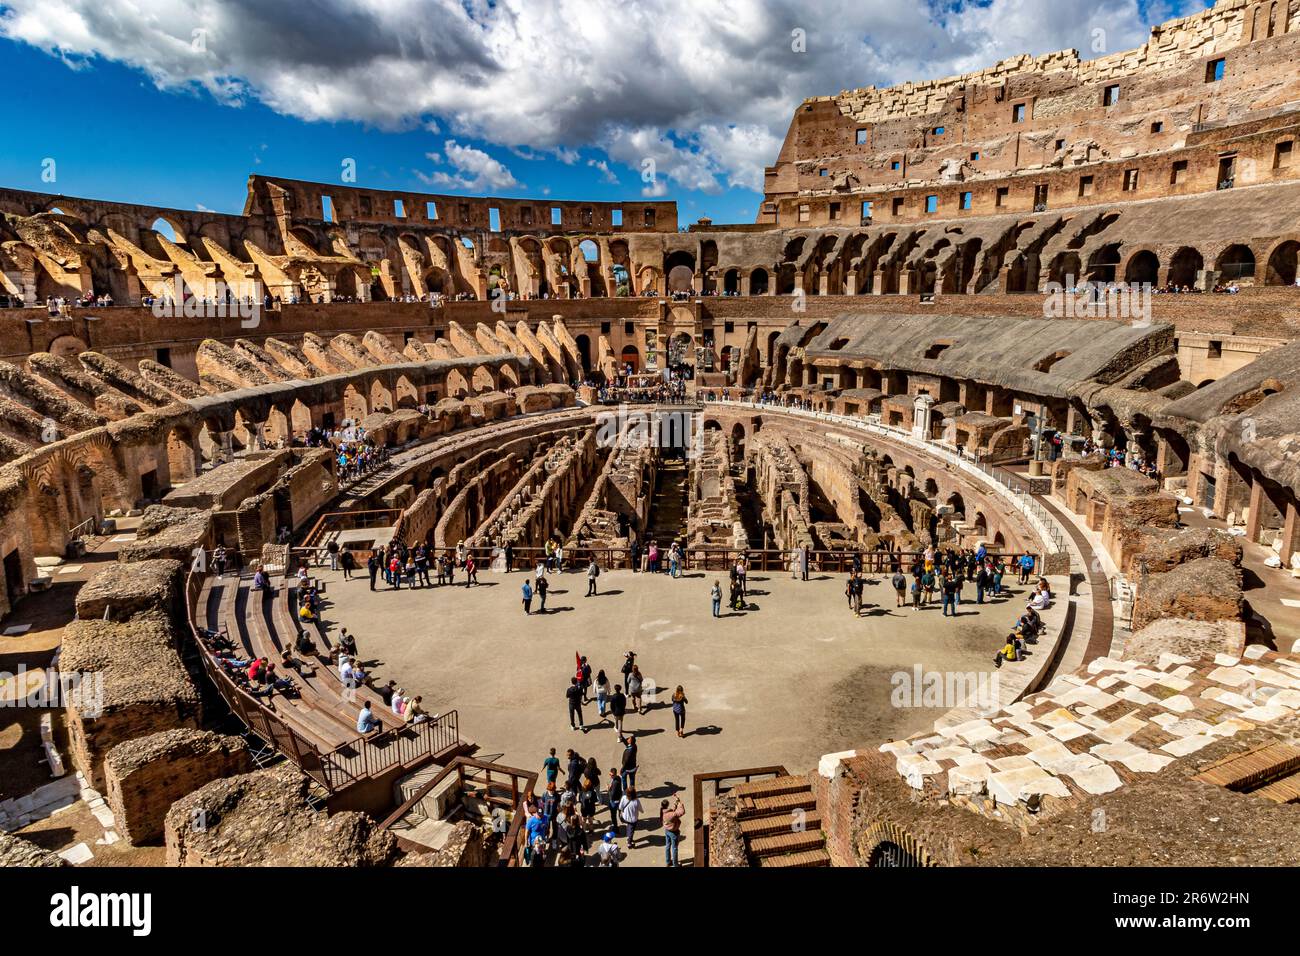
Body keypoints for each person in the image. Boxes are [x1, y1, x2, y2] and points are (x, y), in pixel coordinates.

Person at [660, 794, 685, 867]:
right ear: (667, 805)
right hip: (674, 832)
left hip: (667, 831)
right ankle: (675, 864)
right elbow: (682, 812)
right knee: (674, 848)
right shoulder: (672, 814)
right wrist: (680, 803)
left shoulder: (663, 811)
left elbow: (671, 811)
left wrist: (676, 802)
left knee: (667, 846)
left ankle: (668, 862)